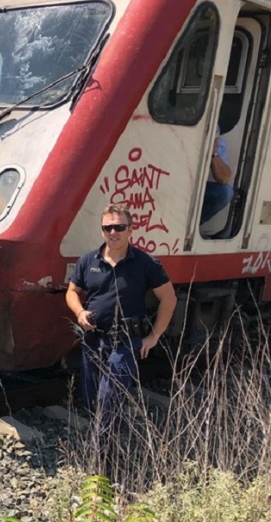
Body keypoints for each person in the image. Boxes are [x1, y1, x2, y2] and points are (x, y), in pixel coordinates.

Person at [66, 204, 177, 423]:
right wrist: (79, 312)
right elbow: (71, 292)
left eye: (119, 227)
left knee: (109, 400)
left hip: (126, 342)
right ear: (102, 231)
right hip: (93, 340)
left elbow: (169, 298)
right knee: (91, 399)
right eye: (108, 228)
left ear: (130, 229)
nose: (113, 232)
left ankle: (102, 454)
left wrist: (154, 336)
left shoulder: (146, 263)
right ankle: (100, 447)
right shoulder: (88, 261)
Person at [201, 127, 234, 238]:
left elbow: (224, 178)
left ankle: (192, 226)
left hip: (199, 188)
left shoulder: (218, 142)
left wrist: (213, 153)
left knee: (226, 192)